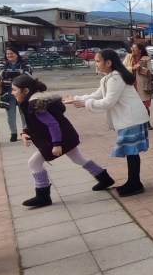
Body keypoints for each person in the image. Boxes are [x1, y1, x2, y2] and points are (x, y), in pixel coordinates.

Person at [12, 75, 114, 207]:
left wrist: (57, 144)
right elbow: (33, 122)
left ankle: (43, 196)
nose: (12, 93)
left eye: (14, 90)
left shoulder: (35, 104)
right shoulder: (34, 100)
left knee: (34, 163)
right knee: (78, 159)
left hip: (58, 139)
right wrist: (24, 132)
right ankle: (105, 179)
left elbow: (52, 124)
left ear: (25, 91)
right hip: (65, 136)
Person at [66, 50, 150, 197]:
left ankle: (135, 184)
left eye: (98, 61)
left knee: (132, 152)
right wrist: (76, 99)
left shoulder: (115, 78)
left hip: (131, 119)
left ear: (109, 62)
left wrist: (86, 103)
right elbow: (97, 95)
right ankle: (133, 182)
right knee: (131, 152)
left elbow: (108, 102)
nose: (96, 64)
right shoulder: (109, 78)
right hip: (129, 118)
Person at [0, 46, 32, 142]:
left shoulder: (25, 64)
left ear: (16, 54)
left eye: (11, 53)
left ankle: (26, 131)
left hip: (21, 93)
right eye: (7, 54)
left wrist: (10, 73)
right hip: (7, 93)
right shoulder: (2, 64)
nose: (9, 55)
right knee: (10, 114)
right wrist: (19, 72)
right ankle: (13, 133)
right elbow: (3, 74)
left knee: (24, 112)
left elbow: (27, 75)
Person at [125, 43, 153, 127]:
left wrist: (141, 69)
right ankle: (136, 123)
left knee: (145, 106)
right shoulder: (128, 57)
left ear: (140, 50)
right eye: (132, 48)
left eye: (135, 48)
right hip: (132, 85)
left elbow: (150, 71)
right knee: (133, 105)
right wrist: (132, 68)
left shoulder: (146, 58)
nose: (132, 50)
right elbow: (123, 68)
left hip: (143, 86)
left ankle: (147, 123)